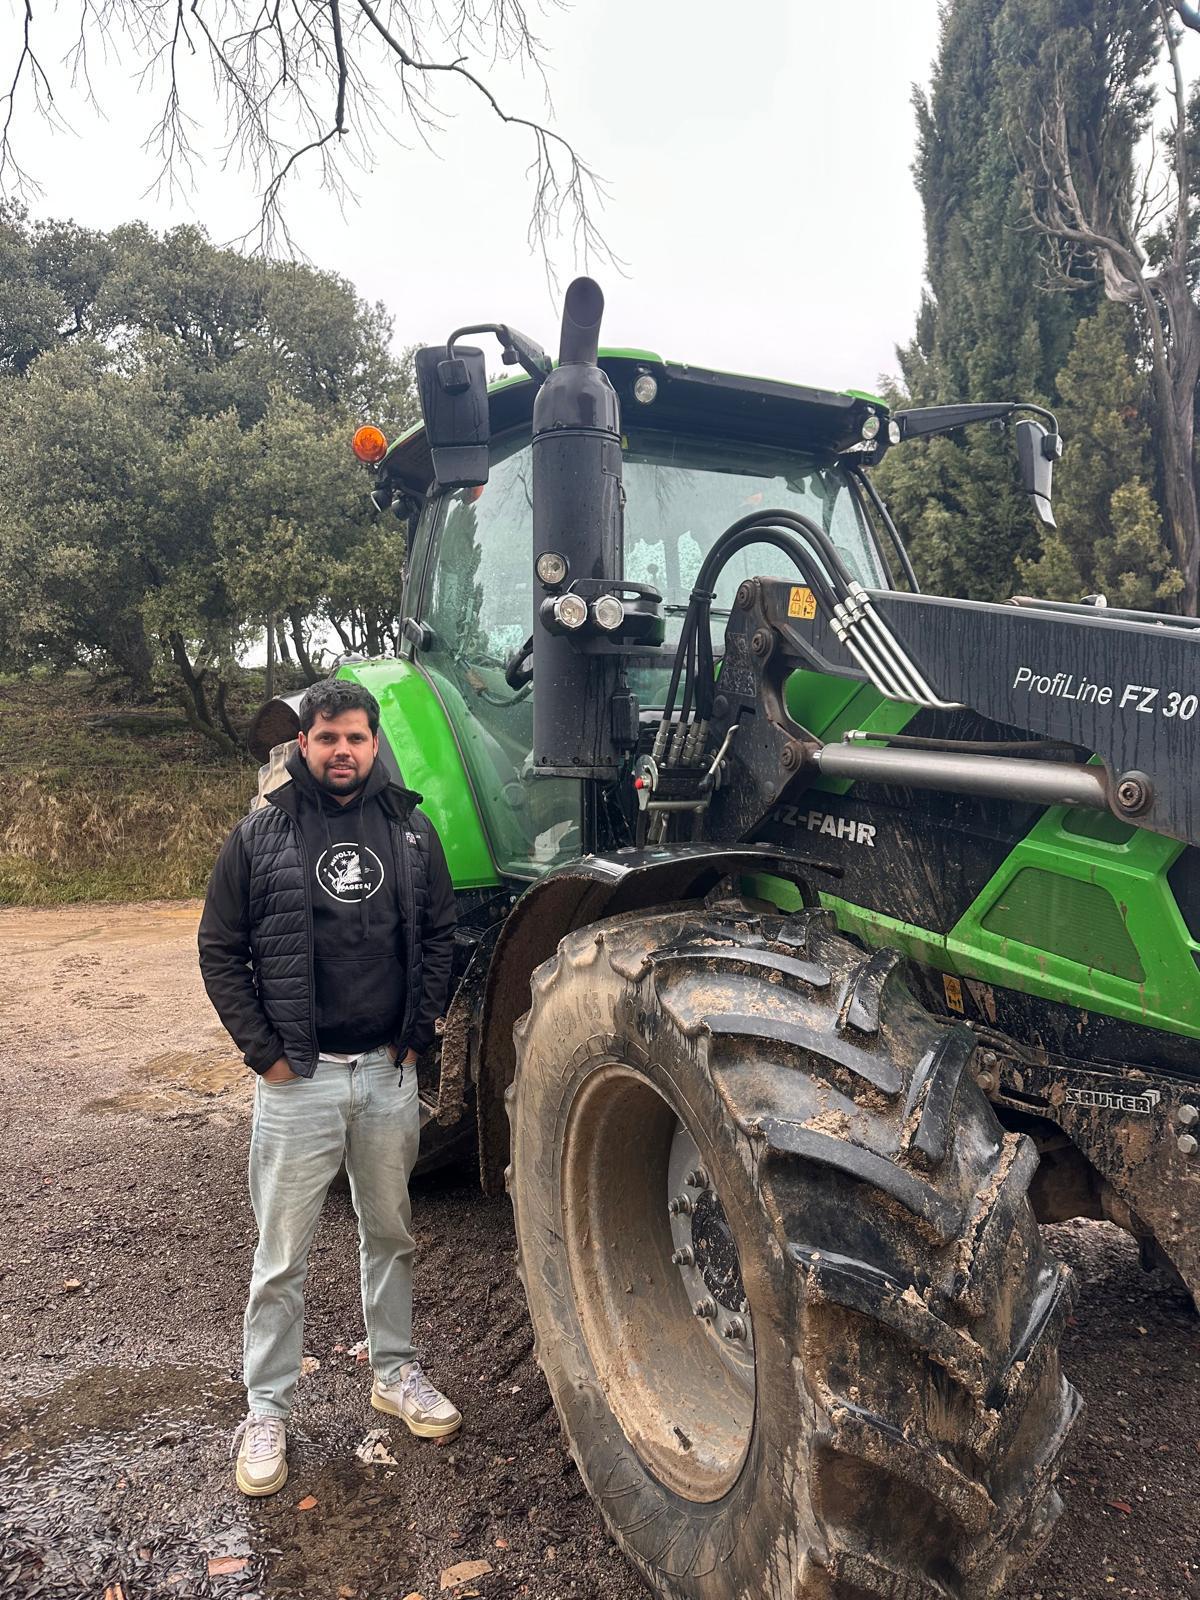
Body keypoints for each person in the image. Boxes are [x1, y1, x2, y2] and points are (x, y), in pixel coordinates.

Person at [198, 678, 459, 1498]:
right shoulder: (260, 836)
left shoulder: (413, 833)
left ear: (375, 744)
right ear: (302, 746)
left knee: (392, 1235)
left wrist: (418, 1034)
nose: (341, 751)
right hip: (299, 1084)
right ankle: (267, 1409)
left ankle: (395, 1373)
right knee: (282, 1257)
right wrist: (265, 1056)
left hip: (386, 1074)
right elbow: (220, 951)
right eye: (326, 738)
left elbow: (443, 936)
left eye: (354, 737)